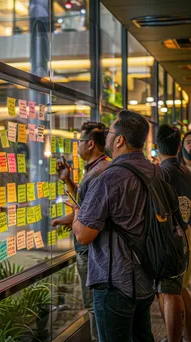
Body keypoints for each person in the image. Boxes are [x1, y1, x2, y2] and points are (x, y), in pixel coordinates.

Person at [71, 110, 156, 342]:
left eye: (110, 132)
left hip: (114, 282)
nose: (106, 137)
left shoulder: (109, 179)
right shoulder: (155, 172)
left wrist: (78, 210)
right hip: (146, 277)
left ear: (119, 140)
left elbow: (84, 235)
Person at [52, 121, 109, 342]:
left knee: (94, 305)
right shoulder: (97, 169)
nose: (77, 146)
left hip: (90, 249)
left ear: (90, 144)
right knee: (94, 305)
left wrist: (67, 219)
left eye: (80, 141)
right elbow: (85, 204)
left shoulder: (98, 173)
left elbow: (84, 215)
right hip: (92, 249)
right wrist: (68, 180)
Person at [156, 125, 191, 342]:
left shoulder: (162, 173)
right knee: (181, 289)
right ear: (179, 146)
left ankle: (173, 339)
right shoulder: (185, 171)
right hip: (187, 232)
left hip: (171, 238)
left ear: (157, 146)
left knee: (170, 293)